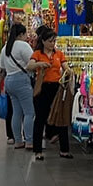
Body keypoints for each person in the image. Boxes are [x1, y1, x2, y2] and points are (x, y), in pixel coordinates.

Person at [29, 26, 71, 161]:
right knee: (40, 118)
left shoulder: (59, 54)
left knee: (61, 117)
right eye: (51, 41)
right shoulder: (37, 54)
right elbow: (28, 66)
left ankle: (64, 149)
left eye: (54, 41)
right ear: (44, 41)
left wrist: (68, 72)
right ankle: (37, 150)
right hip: (42, 88)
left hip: (57, 88)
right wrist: (39, 64)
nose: (53, 44)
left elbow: (66, 68)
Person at [0, 23, 36, 150]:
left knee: (16, 113)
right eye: (25, 34)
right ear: (21, 34)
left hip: (9, 81)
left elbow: (2, 69)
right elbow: (32, 62)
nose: (27, 36)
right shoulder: (23, 46)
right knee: (29, 112)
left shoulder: (5, 48)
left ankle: (18, 140)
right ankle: (29, 141)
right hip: (21, 80)